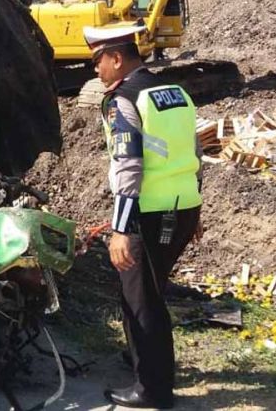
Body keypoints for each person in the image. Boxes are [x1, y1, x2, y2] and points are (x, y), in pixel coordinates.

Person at [85, 26, 202, 409]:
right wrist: (195, 207)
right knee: (148, 289)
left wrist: (120, 228)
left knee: (141, 300)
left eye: (98, 61)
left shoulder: (123, 100)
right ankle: (143, 356)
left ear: (117, 58)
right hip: (183, 206)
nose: (96, 70)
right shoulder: (176, 93)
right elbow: (192, 151)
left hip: (148, 213)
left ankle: (152, 388)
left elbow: (128, 165)